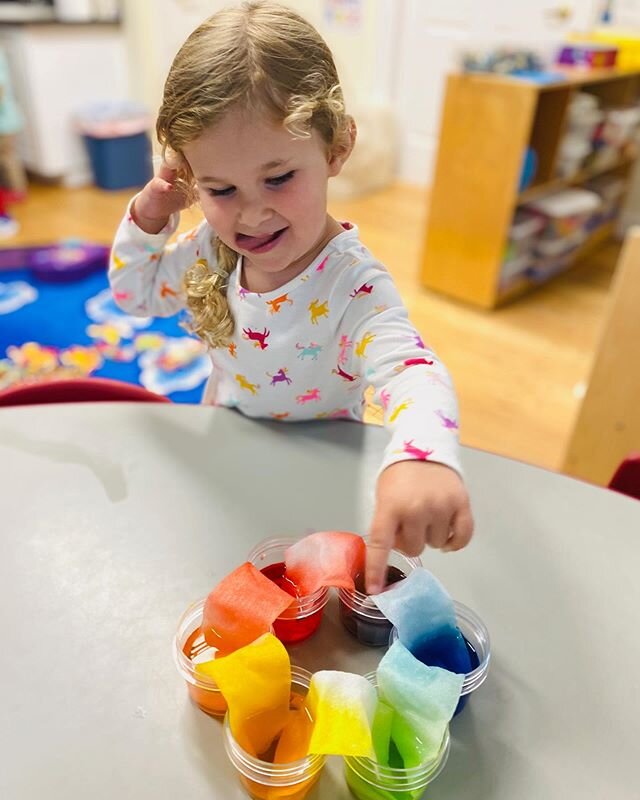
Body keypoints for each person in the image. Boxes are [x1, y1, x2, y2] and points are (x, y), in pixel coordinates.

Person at [109, 0, 473, 594]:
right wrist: (151, 215)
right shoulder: (211, 248)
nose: (252, 213)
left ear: (336, 150)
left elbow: (412, 369)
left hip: (322, 471)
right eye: (221, 188)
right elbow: (135, 294)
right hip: (229, 450)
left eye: (278, 178)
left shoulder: (353, 284)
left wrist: (422, 455)